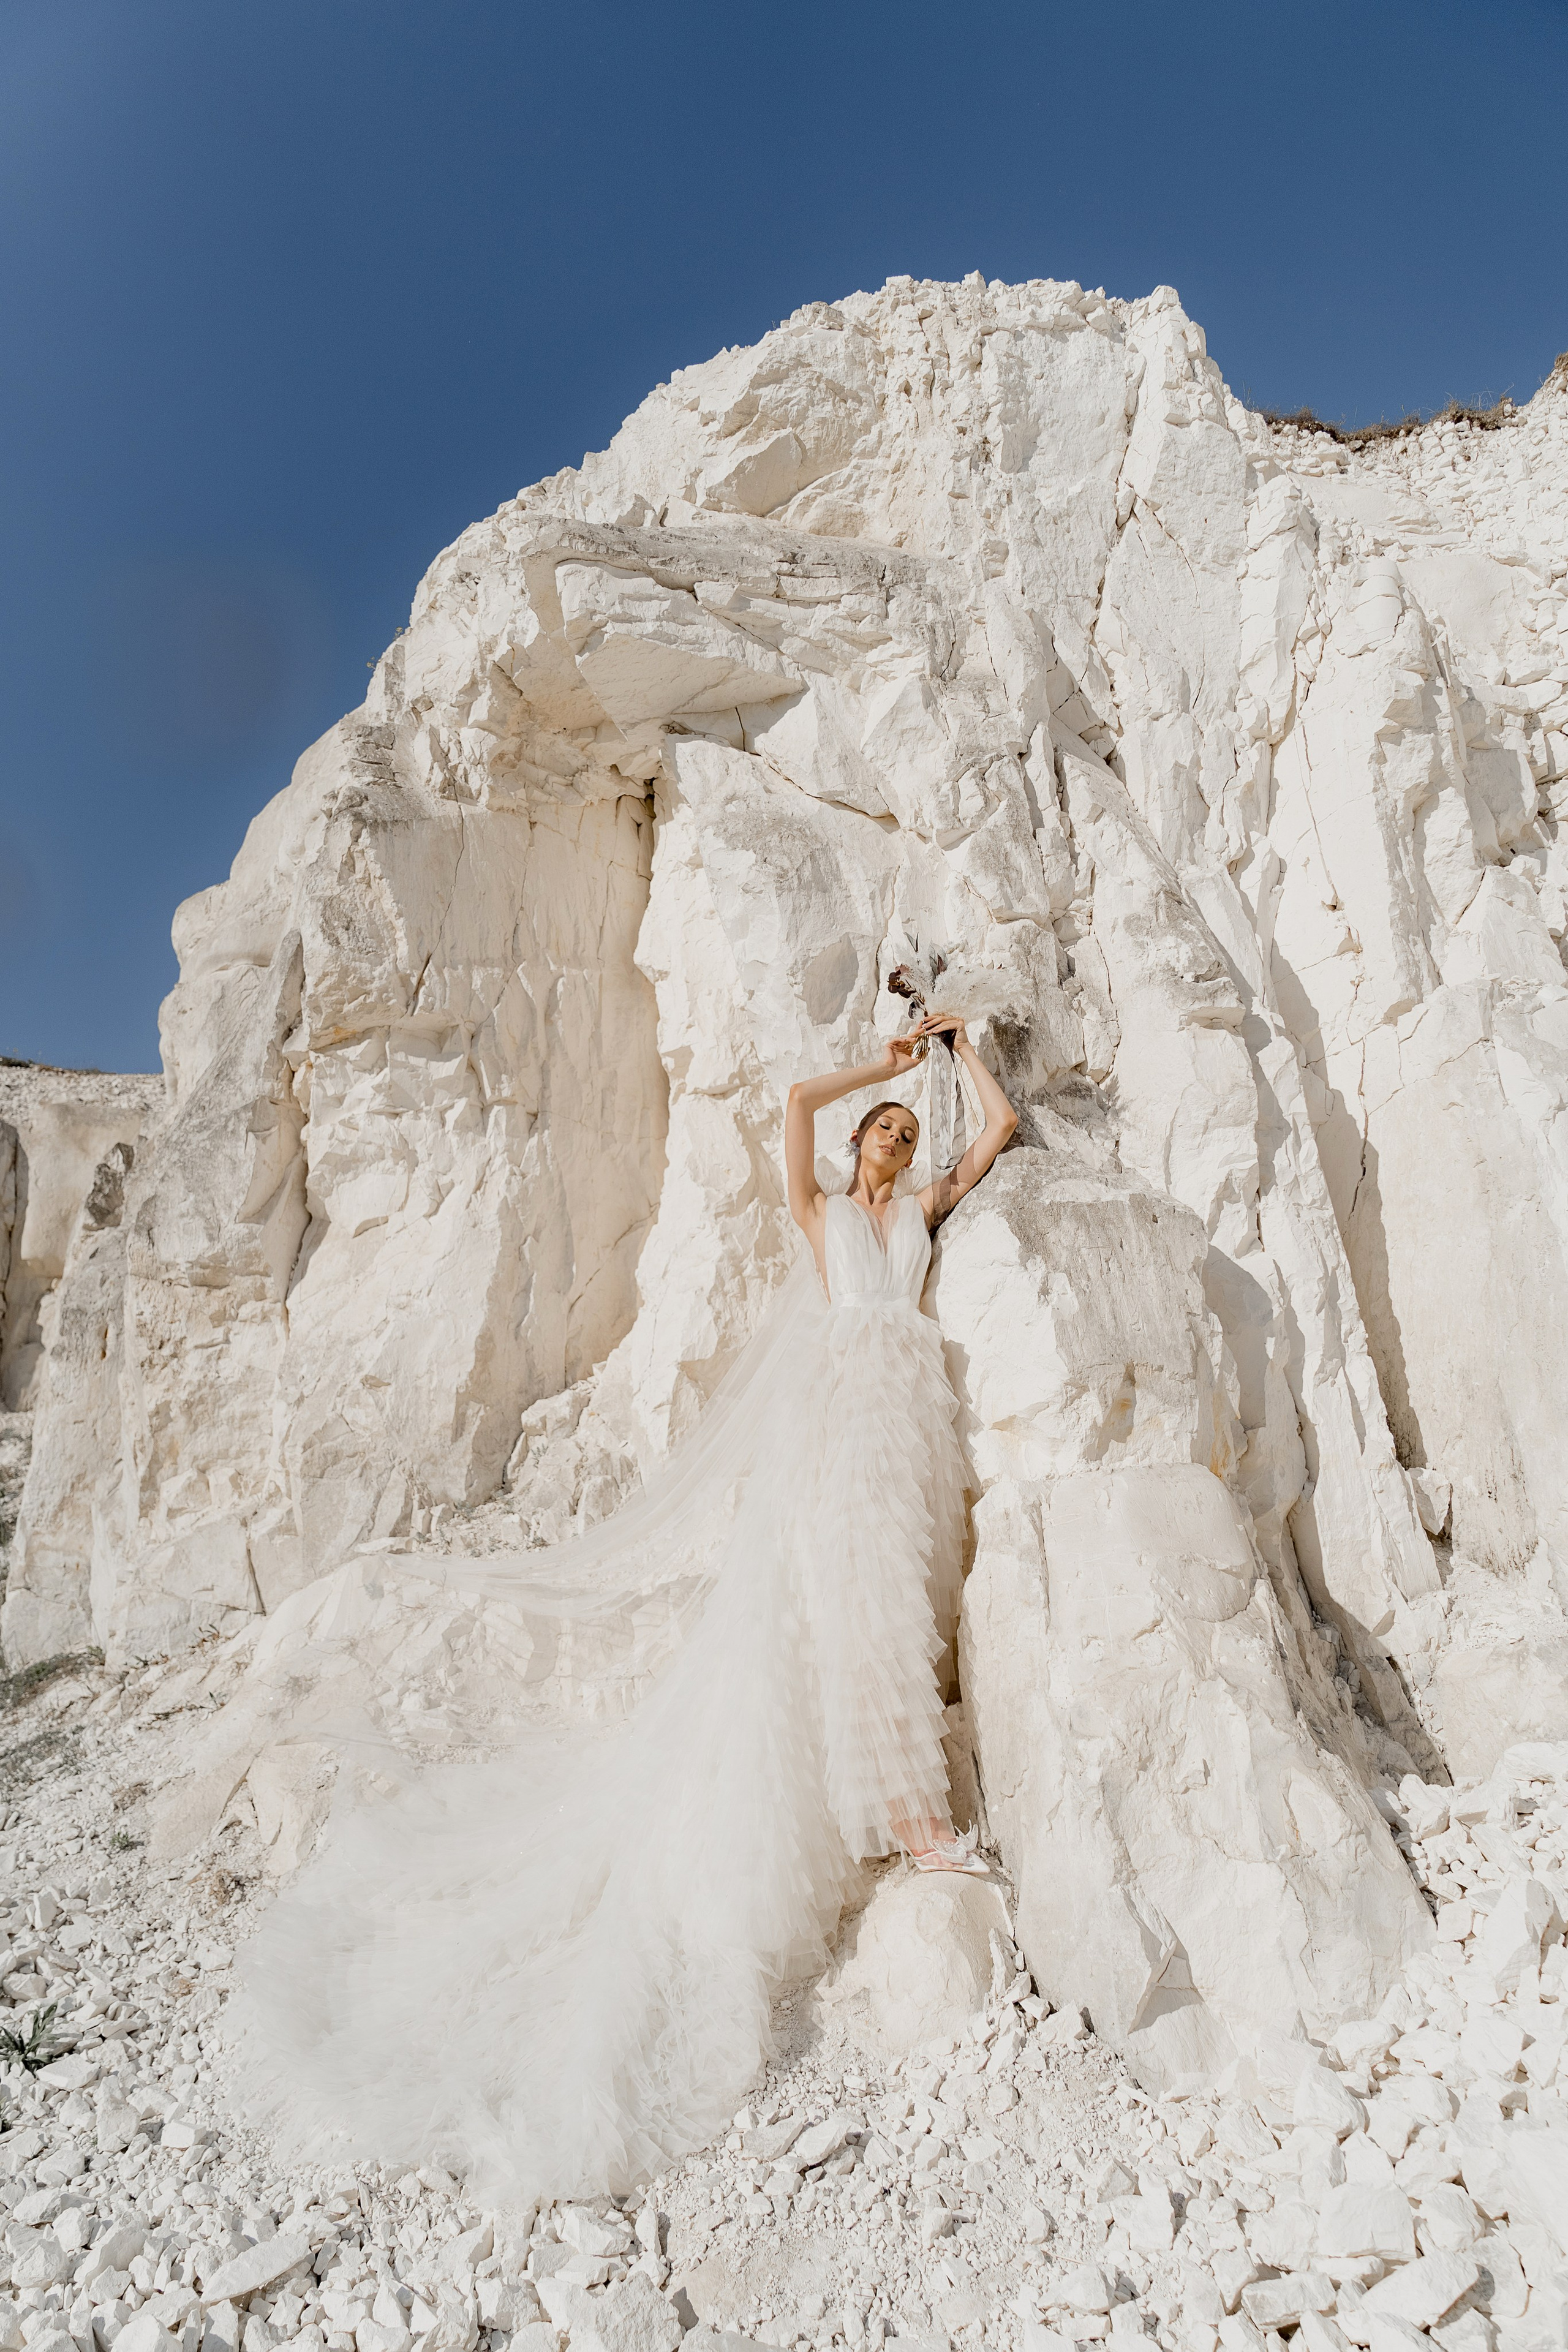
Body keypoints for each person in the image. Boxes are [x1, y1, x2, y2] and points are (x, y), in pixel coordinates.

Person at [232, 1012, 1019, 2206]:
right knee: (854, 1609)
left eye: (909, 1139)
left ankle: (898, 1807)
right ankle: (911, 1821)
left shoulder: (917, 1214)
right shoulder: (821, 1213)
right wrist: (895, 1059)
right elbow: (799, 1102)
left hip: (901, 1414)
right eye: (887, 1135)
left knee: (892, 1611)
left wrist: (959, 1063)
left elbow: (1000, 1128)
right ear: (859, 1144)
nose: (898, 1148)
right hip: (840, 1422)